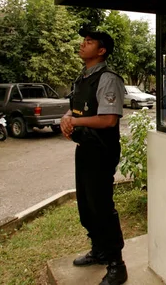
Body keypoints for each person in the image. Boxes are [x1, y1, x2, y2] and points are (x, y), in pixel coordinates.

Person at [60, 27, 128, 285]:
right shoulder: (83, 77)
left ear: (101, 51)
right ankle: (99, 250)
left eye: (89, 42)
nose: (82, 44)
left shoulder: (108, 78)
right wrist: (67, 118)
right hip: (85, 148)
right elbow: (75, 109)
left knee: (101, 206)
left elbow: (109, 119)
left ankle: (116, 264)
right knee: (87, 206)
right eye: (83, 40)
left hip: (101, 150)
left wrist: (75, 123)